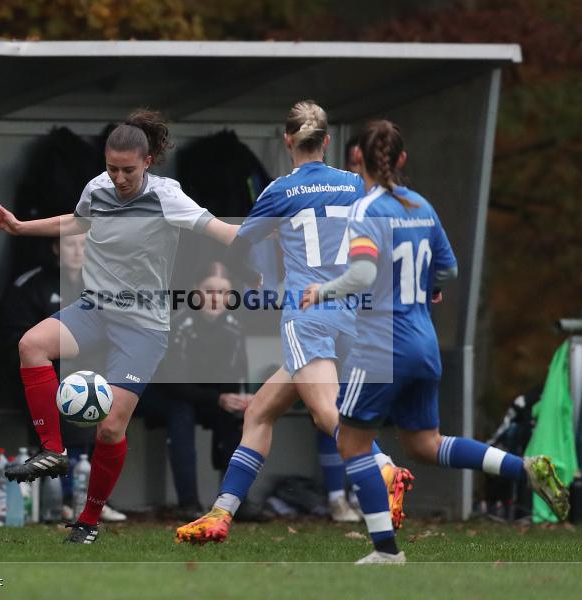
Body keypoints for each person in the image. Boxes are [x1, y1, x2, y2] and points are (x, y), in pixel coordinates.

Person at [300, 119, 570, 564]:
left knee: (351, 443)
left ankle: (386, 552)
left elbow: (364, 274)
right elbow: (449, 271)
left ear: (355, 161)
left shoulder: (368, 211)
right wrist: (425, 287)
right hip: (423, 340)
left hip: (382, 344)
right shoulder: (421, 205)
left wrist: (323, 290)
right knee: (425, 444)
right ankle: (524, 468)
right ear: (402, 159)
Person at [0, 109, 239, 545]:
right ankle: (54, 452)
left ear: (148, 162)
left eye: (128, 170)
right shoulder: (97, 188)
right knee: (31, 345)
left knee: (109, 429)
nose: (118, 178)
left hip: (143, 327)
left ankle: (87, 520)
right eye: (112, 168)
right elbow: (78, 221)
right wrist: (21, 226)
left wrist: (272, 239)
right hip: (96, 309)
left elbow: (222, 232)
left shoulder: (167, 197)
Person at [176, 101, 412, 545]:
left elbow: (239, 247)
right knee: (261, 412)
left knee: (327, 415)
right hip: (352, 315)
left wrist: (248, 276)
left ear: (288, 141)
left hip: (308, 317)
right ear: (327, 141)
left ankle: (385, 471)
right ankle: (222, 513)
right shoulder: (354, 185)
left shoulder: (279, 191)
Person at [0, 234, 126, 523]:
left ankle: (93, 499)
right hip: (44, 377)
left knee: (97, 403)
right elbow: (15, 340)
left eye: (84, 245)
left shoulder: (108, 285)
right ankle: (67, 498)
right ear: (56, 247)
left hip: (98, 375)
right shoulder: (30, 285)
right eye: (71, 244)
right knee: (74, 395)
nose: (78, 251)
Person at [143, 261, 251, 519]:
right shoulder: (179, 324)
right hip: (169, 396)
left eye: (223, 292)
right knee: (182, 414)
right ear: (196, 292)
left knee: (238, 417)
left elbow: (234, 377)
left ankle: (234, 502)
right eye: (210, 291)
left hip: (210, 399)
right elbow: (175, 383)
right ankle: (188, 503)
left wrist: (238, 399)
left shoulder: (234, 328)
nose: (216, 299)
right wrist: (219, 398)